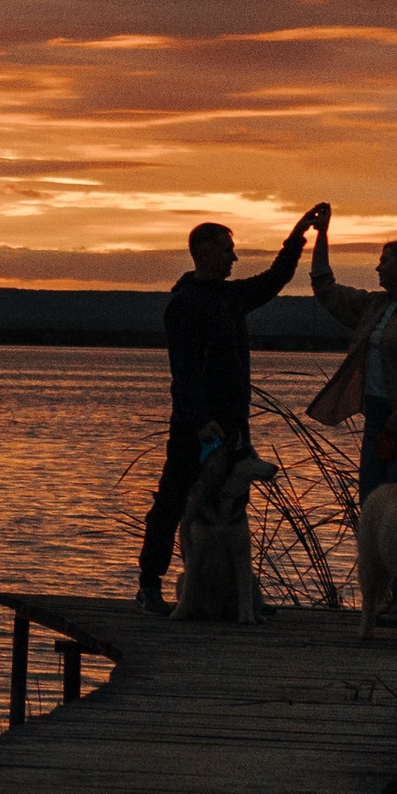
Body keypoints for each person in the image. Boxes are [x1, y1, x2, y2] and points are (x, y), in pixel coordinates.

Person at [135, 213, 310, 614]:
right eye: (228, 250)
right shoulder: (184, 305)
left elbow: (274, 279)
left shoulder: (231, 297)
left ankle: (241, 592)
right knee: (173, 502)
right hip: (195, 427)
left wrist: (298, 235)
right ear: (205, 252)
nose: (234, 258)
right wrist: (200, 420)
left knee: (234, 504)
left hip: (233, 424)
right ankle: (149, 585)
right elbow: (184, 372)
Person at [301, 206, 397, 618]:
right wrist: (322, 235)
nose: (377, 268)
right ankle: (379, 601)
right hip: (376, 422)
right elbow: (325, 288)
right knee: (374, 513)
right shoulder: (373, 307)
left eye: (384, 262)